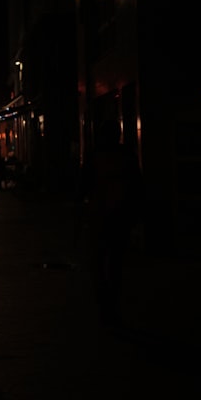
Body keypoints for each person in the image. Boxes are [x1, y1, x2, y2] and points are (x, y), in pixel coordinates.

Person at [79, 119, 143, 326]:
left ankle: (104, 304)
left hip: (99, 216)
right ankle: (112, 303)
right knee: (115, 262)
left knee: (97, 263)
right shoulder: (127, 156)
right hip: (120, 217)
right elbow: (138, 187)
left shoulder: (94, 157)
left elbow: (83, 187)